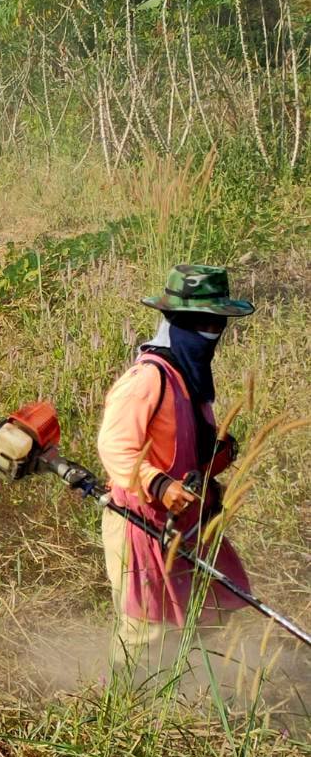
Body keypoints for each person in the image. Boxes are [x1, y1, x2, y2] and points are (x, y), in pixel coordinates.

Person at [97, 264, 256, 671]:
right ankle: (125, 701)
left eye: (218, 323)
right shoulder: (148, 378)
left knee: (208, 610)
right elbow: (114, 445)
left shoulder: (189, 378)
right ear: (176, 320)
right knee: (147, 632)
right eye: (203, 323)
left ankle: (186, 688)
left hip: (184, 524)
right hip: (140, 522)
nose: (212, 332)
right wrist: (159, 484)